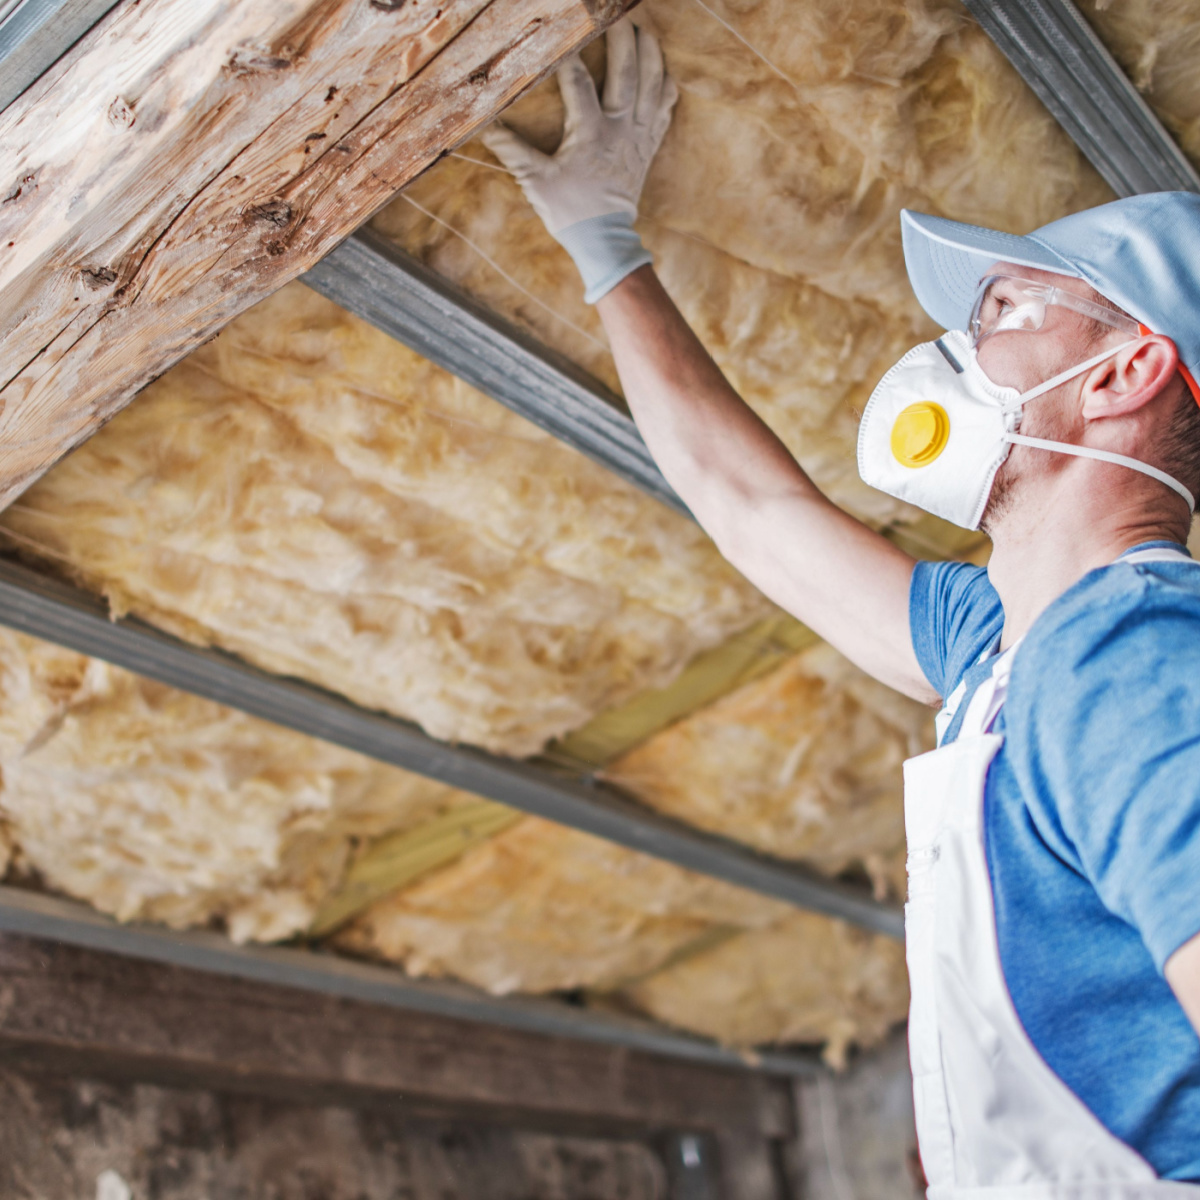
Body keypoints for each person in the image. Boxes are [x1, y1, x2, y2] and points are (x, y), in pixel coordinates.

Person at [483, 19, 1200, 1192]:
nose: (957, 344)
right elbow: (751, 507)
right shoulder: (1001, 655)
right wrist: (604, 245)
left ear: (1126, 373)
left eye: (1010, 312)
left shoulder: (1128, 654)